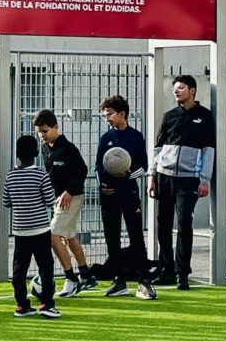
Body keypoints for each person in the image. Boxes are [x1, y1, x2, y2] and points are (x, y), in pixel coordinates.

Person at [147, 75, 215, 290]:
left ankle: (182, 273)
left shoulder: (204, 117)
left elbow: (209, 150)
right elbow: (157, 148)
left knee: (184, 223)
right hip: (164, 177)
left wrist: (204, 179)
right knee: (163, 225)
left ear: (192, 91)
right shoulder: (169, 116)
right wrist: (152, 176)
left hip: (188, 180)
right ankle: (166, 270)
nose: (176, 91)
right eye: (175, 88)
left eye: (181, 88)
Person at [95, 95, 157, 300]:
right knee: (111, 237)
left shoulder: (136, 137)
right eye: (105, 115)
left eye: (110, 114)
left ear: (122, 114)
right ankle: (118, 280)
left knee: (136, 237)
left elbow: (143, 166)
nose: (108, 118)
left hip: (129, 194)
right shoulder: (106, 138)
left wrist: (129, 175)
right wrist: (103, 185)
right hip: (109, 196)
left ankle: (144, 282)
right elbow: (98, 166)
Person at [33, 109, 97, 297]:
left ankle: (71, 279)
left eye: (45, 131)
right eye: (38, 132)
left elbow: (82, 171)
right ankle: (86, 275)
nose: (41, 135)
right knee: (69, 237)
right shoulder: (45, 148)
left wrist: (69, 192)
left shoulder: (68, 148)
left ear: (56, 128)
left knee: (52, 236)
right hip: (57, 200)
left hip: (72, 198)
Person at [2, 135, 61, 318]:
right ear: (36, 153)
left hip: (20, 230)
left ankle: (21, 305)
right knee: (45, 267)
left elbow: (6, 202)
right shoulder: (41, 174)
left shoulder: (11, 175)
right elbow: (50, 199)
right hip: (40, 229)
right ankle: (47, 304)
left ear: (17, 154)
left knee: (19, 269)